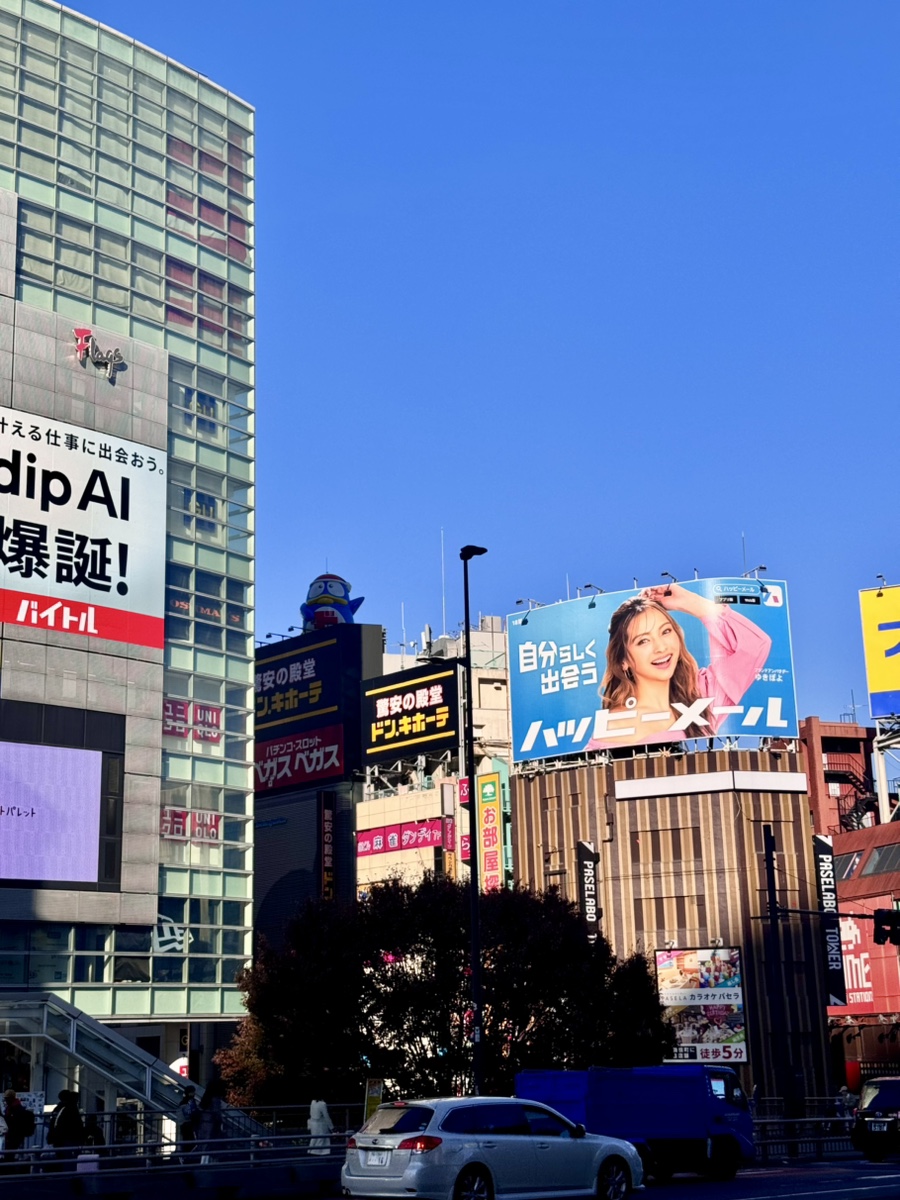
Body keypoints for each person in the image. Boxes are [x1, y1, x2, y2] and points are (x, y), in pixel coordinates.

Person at [586, 583, 772, 749]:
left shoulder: (700, 695)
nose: (661, 648)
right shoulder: (607, 730)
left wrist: (689, 602)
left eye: (666, 631)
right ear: (622, 661)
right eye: (643, 641)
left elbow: (756, 646)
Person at [46, 1090, 84, 1168]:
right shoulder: (71, 1108)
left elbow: (57, 1123)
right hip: (68, 1137)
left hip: (63, 1137)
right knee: (68, 1158)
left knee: (64, 1157)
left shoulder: (62, 1108)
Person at [195, 1079, 226, 1162]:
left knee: (205, 1144)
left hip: (204, 1123)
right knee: (212, 1144)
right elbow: (216, 1112)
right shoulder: (215, 1099)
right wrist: (221, 1121)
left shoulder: (205, 1098)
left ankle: (203, 1162)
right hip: (212, 1123)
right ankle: (209, 1163)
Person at [2, 1089, 33, 1169]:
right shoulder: (12, 1107)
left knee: (10, 1152)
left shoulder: (15, 1108)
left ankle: (9, 1169)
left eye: (6, 1098)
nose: (5, 1100)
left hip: (14, 1134)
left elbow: (13, 1121)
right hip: (12, 1133)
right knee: (9, 1152)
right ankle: (9, 1168)